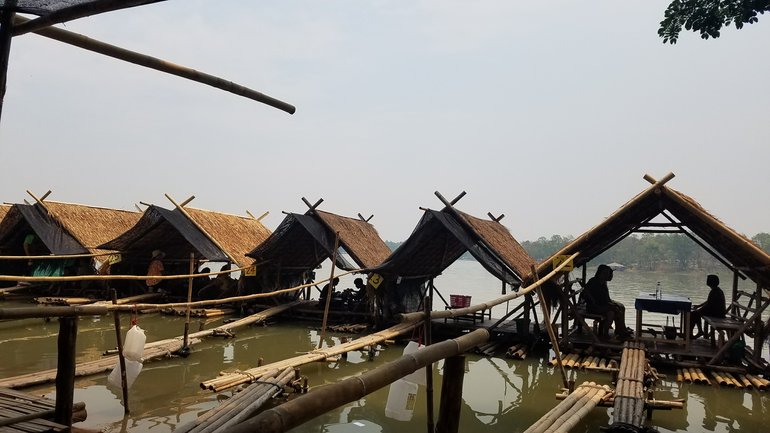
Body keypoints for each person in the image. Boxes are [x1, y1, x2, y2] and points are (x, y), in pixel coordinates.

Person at [583, 264, 631, 338]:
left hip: (602, 305)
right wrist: (605, 305)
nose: (610, 275)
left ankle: (621, 329)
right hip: (594, 307)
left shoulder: (603, 283)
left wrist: (612, 304)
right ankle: (605, 333)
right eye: (608, 273)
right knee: (613, 311)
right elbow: (586, 295)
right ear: (602, 273)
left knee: (621, 307)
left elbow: (606, 298)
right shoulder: (593, 282)